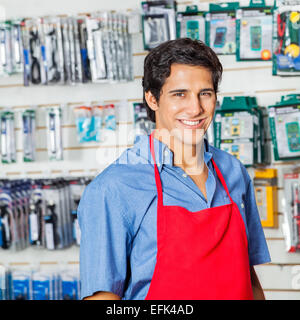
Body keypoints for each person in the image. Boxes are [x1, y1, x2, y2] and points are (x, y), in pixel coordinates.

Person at [78, 38, 271, 300]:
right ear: (152, 99)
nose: (195, 108)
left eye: (205, 93)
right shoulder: (113, 188)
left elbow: (247, 276)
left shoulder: (233, 171)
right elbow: (101, 297)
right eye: (179, 94)